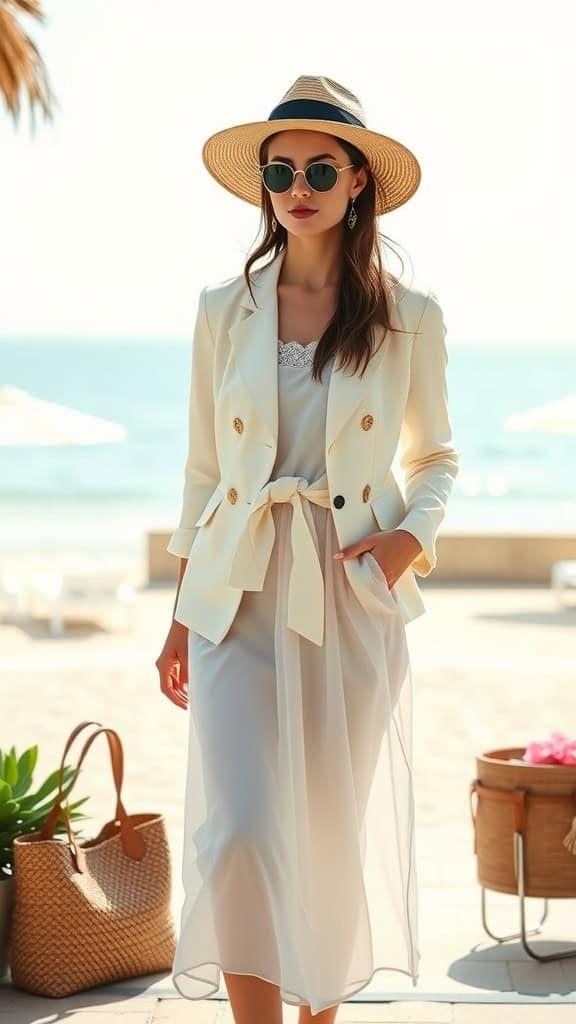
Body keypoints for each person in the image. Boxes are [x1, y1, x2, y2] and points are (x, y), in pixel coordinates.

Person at [155, 74, 460, 1024]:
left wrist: (408, 538)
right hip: (237, 591)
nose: (299, 183)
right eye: (280, 168)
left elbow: (437, 454)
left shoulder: (410, 313)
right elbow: (204, 476)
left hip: (351, 593)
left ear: (359, 180)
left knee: (324, 840)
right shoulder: (221, 309)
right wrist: (177, 618)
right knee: (242, 833)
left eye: (321, 167)